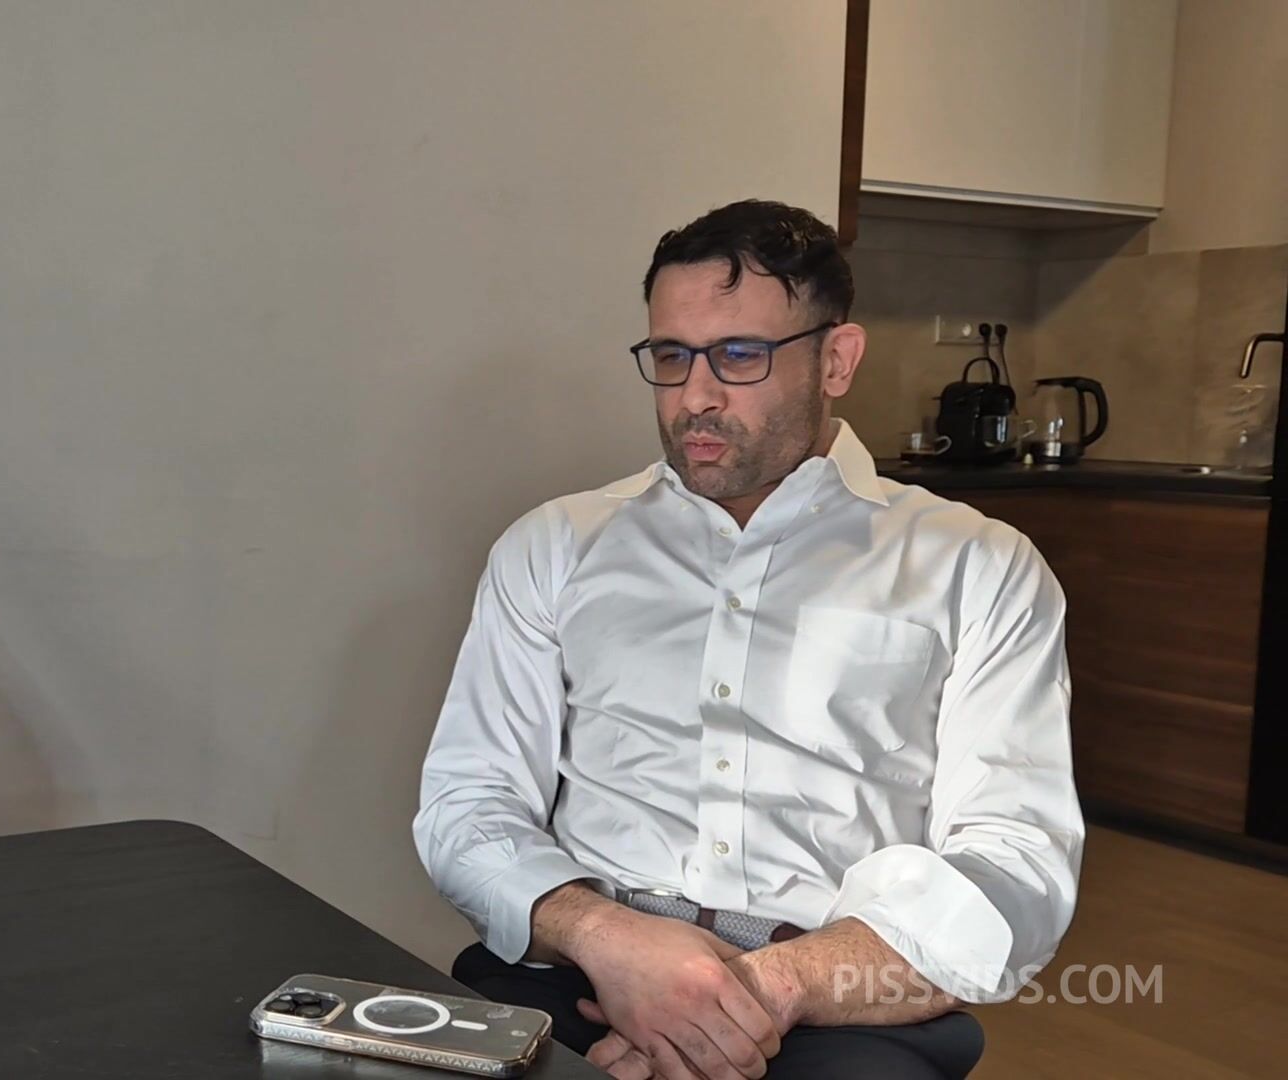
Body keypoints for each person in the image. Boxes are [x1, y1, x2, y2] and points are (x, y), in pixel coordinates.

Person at [413, 200, 1081, 1080]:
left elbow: (1016, 862)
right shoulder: (554, 547)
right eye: (671, 356)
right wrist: (607, 937)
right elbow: (469, 801)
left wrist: (756, 992)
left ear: (836, 359)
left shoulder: (979, 568)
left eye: (738, 355)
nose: (695, 396)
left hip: (840, 1000)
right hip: (581, 974)